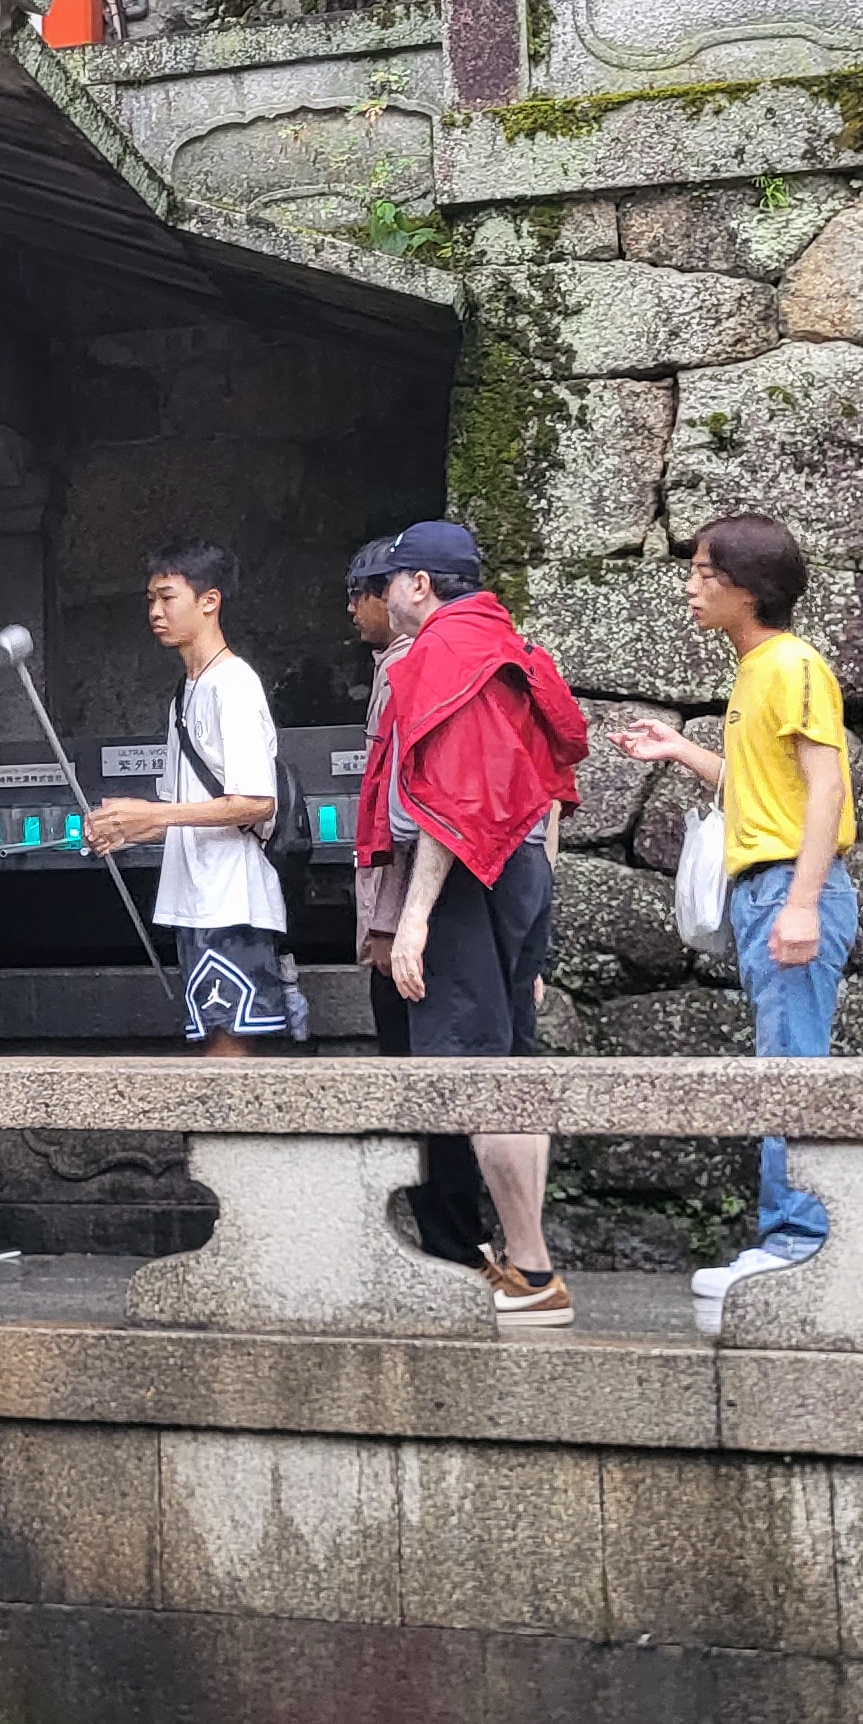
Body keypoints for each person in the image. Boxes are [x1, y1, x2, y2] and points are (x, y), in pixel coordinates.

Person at [613, 515, 857, 1334]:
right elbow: (763, 788)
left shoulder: (791, 665)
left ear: (748, 590)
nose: (691, 587)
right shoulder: (758, 668)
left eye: (705, 574)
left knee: (791, 1071)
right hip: (770, 887)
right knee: (780, 1065)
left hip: (789, 886)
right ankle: (790, 1238)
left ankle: (797, 1244)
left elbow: (826, 789)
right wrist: (681, 750)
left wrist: (801, 903)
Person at [357, 521, 588, 1329]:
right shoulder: (513, 647)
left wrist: (414, 919)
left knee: (477, 1076)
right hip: (521, 866)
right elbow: (554, 778)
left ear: (420, 584)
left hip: (465, 873)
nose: (384, 595)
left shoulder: (440, 652)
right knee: (512, 1072)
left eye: (392, 580)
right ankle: (530, 1262)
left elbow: (448, 802)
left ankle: (533, 1272)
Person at [83, 539, 293, 1054]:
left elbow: (256, 802)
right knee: (210, 1049)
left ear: (209, 601)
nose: (155, 612)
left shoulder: (233, 684)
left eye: (167, 597)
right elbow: (190, 811)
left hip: (233, 901)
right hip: (196, 902)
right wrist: (128, 828)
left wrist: (152, 816)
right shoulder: (186, 691)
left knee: (230, 1054)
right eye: (150, 600)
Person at [348, 534, 488, 1265]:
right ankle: (454, 1237)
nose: (353, 609)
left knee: (429, 1080)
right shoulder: (431, 660)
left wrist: (393, 923)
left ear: (406, 589)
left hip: (422, 914)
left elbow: (411, 812)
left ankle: (452, 1243)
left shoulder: (416, 665)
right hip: (447, 908)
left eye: (363, 592)